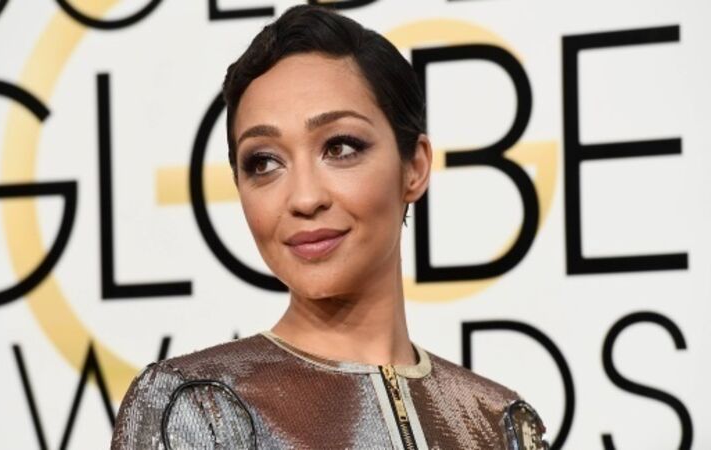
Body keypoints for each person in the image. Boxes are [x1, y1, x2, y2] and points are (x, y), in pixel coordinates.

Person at [111, 5, 547, 449]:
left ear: (414, 167)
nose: (304, 198)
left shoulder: (499, 424)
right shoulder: (198, 410)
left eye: (340, 147)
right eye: (264, 162)